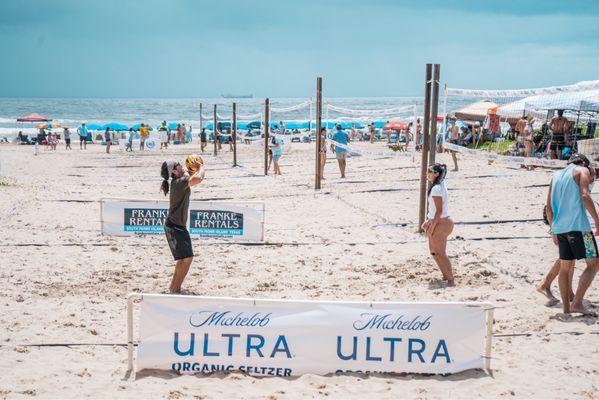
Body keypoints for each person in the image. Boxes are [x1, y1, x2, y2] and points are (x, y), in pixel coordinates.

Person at [545, 153, 599, 315]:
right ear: (583, 163)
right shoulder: (581, 170)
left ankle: (566, 309)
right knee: (593, 263)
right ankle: (577, 303)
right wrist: (597, 220)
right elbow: (584, 195)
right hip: (579, 227)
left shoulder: (555, 176)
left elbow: (548, 208)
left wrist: (553, 228)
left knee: (565, 268)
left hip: (560, 228)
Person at [160, 159, 205, 294]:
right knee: (185, 258)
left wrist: (192, 167)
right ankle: (175, 288)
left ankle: (174, 288)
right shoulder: (178, 183)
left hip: (176, 225)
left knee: (185, 259)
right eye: (178, 165)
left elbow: (190, 175)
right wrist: (201, 166)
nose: (181, 165)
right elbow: (198, 178)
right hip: (174, 226)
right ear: (174, 171)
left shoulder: (180, 180)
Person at [421, 163, 454, 285]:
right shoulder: (439, 185)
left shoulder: (436, 188)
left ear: (437, 174)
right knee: (434, 252)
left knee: (440, 253)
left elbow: (439, 211)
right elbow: (435, 210)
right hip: (439, 221)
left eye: (430, 171)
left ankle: (450, 280)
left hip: (442, 223)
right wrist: (428, 221)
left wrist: (432, 227)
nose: (427, 173)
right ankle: (446, 276)